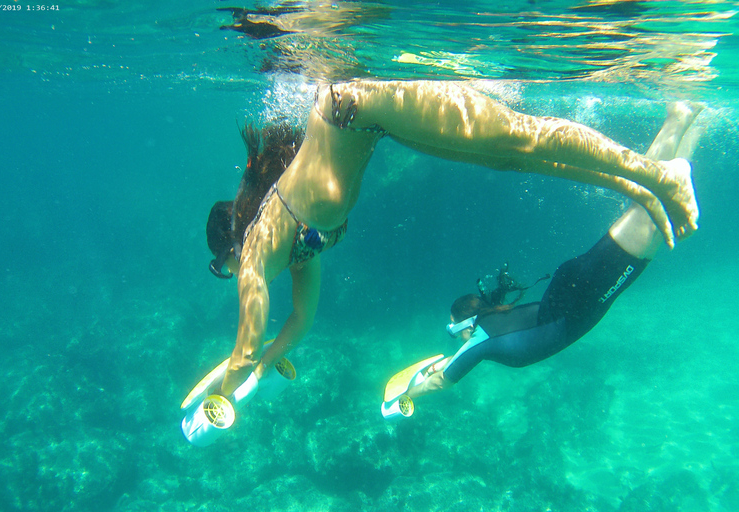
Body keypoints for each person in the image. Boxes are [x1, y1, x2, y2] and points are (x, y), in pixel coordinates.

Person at [207, 80, 700, 399]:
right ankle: (646, 182)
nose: (228, 275)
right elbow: (300, 319)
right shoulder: (296, 250)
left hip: (351, 106)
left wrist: (229, 385)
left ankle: (655, 174)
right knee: (507, 157)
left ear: (230, 246)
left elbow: (246, 339)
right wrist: (262, 367)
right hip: (368, 122)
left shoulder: (255, 248)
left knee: (517, 138)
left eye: (219, 267)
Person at [402, 101, 703, 400]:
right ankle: (690, 122)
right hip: (575, 291)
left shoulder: (483, 338)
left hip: (583, 296)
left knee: (646, 213)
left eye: (455, 332)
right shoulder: (490, 327)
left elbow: (441, 381)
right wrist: (444, 362)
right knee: (645, 209)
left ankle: (680, 120)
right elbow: (462, 356)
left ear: (467, 324)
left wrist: (404, 398)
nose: (459, 339)